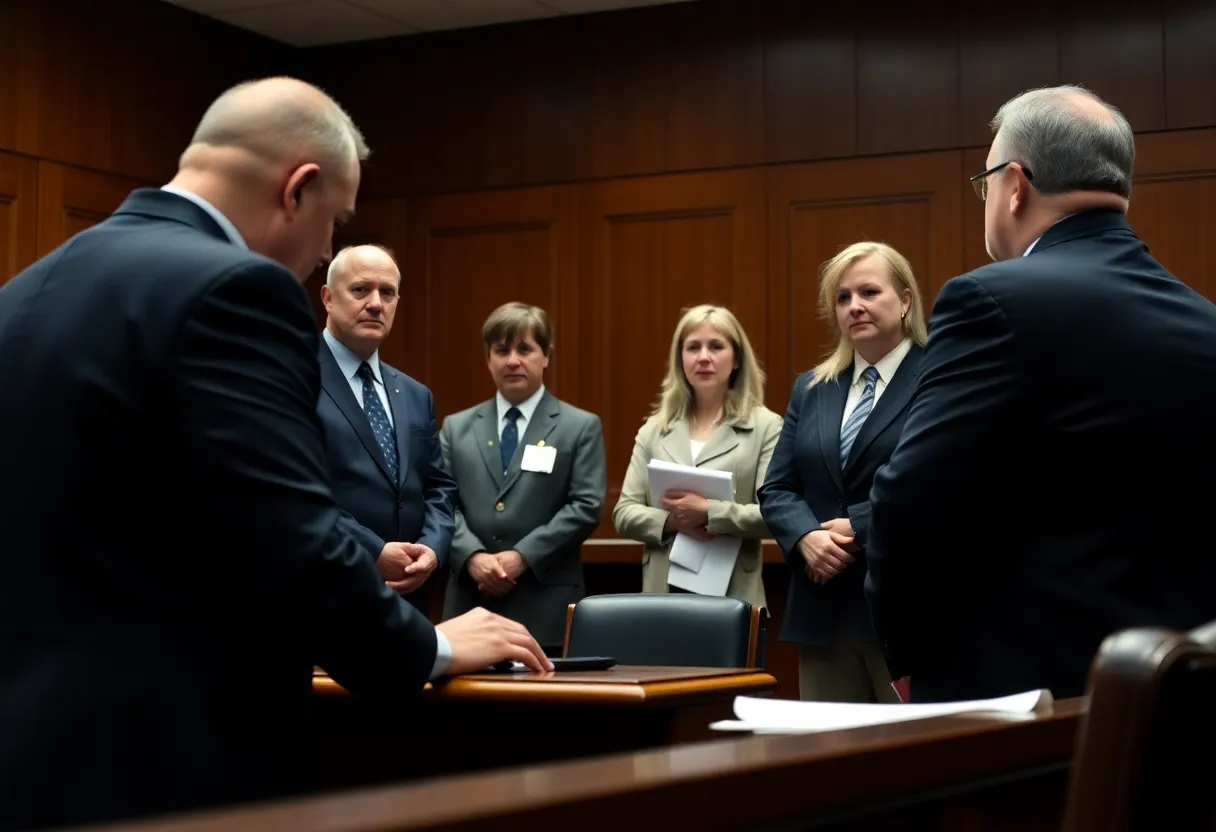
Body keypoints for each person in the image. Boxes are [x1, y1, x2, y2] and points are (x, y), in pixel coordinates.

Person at [0, 77, 549, 832]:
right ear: (299, 189)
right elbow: (289, 537)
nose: (326, 250)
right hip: (172, 763)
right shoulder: (235, 290)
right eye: (336, 222)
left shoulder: (26, 289)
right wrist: (429, 645)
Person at [865, 84, 1216, 703]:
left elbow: (910, 500)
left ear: (1015, 184)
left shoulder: (991, 300)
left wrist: (908, 651)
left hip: (1019, 704)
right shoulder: (1204, 322)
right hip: (1173, 702)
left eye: (985, 183)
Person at [758, 243, 928, 702]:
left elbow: (944, 482)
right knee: (829, 762)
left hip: (905, 610)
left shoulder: (939, 377)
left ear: (906, 300)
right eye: (843, 297)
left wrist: (861, 525)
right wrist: (805, 538)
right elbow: (776, 487)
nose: (855, 306)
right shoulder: (813, 388)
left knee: (909, 760)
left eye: (870, 292)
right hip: (824, 608)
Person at [441, 303, 606, 655]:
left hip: (544, 606)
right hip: (470, 607)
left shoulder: (579, 427)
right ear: (488, 359)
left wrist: (521, 556)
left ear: (546, 356)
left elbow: (586, 506)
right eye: (501, 350)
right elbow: (440, 503)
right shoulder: (456, 428)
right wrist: (473, 558)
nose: (512, 360)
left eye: (524, 349)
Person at [318, 244, 457, 614]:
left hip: (408, 598)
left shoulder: (415, 394)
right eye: (361, 289)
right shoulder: (294, 379)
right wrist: (374, 551)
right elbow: (296, 492)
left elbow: (438, 487)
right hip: (325, 594)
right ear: (328, 299)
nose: (376, 303)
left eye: (388, 292)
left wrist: (432, 547)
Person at [613, 304, 781, 608]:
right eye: (693, 347)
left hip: (733, 596)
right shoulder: (654, 429)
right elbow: (624, 512)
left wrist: (709, 512)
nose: (704, 357)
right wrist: (673, 521)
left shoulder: (765, 426)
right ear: (681, 359)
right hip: (661, 595)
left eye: (716, 346)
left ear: (737, 358)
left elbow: (775, 515)